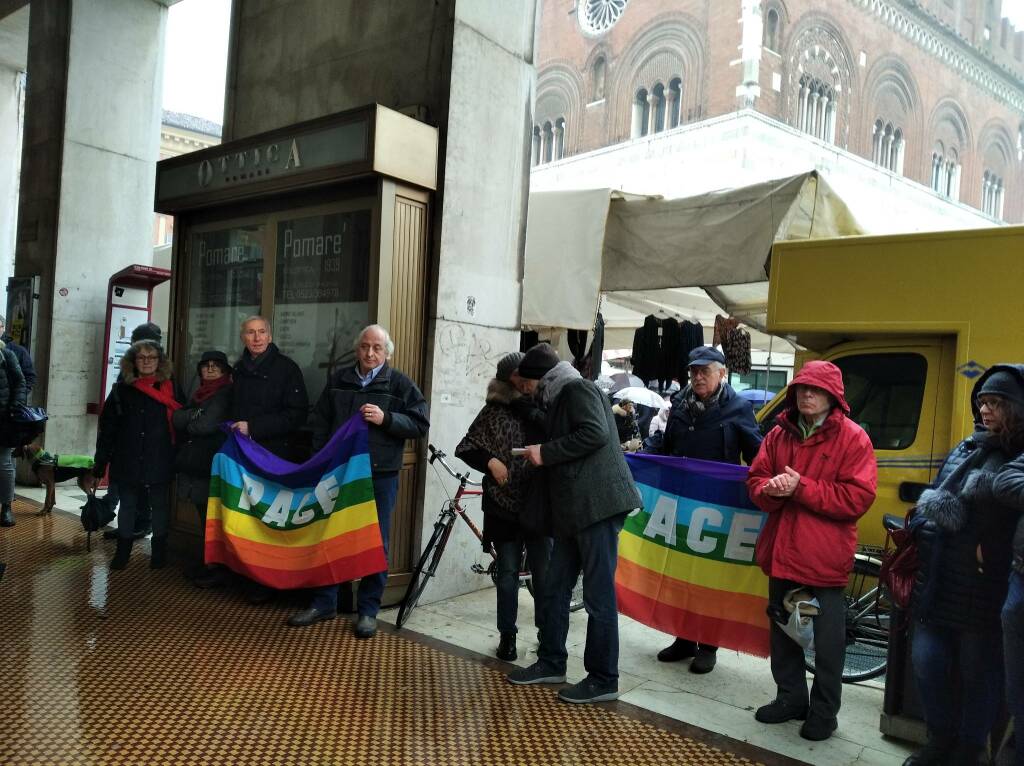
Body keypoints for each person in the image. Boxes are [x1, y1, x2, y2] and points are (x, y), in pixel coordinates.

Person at [746, 360, 876, 742]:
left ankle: (824, 713)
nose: (806, 394)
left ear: (833, 397)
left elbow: (857, 498)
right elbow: (755, 479)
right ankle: (790, 699)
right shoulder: (778, 433)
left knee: (829, 644)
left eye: (815, 389)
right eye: (801, 387)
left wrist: (801, 488)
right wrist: (767, 491)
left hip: (823, 558)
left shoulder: (854, 438)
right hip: (782, 551)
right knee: (784, 630)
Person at [902, 365, 1024, 766]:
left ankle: (970, 749)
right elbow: (934, 496)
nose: (986, 410)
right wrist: (923, 521)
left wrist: (983, 543)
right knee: (927, 664)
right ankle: (939, 740)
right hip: (937, 580)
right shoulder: (965, 446)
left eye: (997, 403)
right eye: (984, 401)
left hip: (982, 589)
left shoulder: (1016, 458)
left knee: (979, 677)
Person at [506, 343, 642, 704]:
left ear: (540, 380)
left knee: (598, 595)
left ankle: (603, 679)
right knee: (553, 585)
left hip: (597, 506)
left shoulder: (577, 389)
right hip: (574, 510)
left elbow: (594, 433)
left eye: (527, 386)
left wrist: (545, 452)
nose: (527, 392)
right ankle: (551, 661)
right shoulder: (556, 397)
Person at [289, 324, 429, 638]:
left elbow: (420, 422)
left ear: (387, 352)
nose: (369, 353)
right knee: (329, 535)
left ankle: (368, 611)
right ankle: (325, 602)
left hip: (378, 475)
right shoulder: (339, 380)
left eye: (376, 348)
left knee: (374, 543)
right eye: (365, 346)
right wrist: (321, 457)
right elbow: (321, 421)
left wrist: (387, 418)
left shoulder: (399, 383)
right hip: (338, 471)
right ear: (357, 349)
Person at [653, 346, 762, 673]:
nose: (698, 377)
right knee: (680, 573)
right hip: (681, 502)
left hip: (717, 508)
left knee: (709, 578)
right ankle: (684, 638)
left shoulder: (739, 408)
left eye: (705, 371)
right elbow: (665, 445)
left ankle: (708, 645)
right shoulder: (680, 405)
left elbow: (758, 454)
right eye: (694, 371)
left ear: (722, 374)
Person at [455, 351, 551, 661]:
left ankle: (548, 636)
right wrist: (490, 461)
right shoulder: (494, 410)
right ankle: (507, 636)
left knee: (544, 572)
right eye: (518, 378)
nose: (524, 384)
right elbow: (466, 446)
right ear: (508, 379)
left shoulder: (545, 406)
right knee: (507, 572)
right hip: (503, 506)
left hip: (539, 503)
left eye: (528, 378)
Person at [229, 316, 308, 602]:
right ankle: (250, 576)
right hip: (245, 457)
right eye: (250, 332)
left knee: (272, 521)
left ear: (270, 336)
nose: (257, 337)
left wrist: (255, 427)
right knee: (249, 519)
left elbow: (297, 414)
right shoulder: (237, 370)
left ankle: (271, 583)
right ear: (243, 337)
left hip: (275, 457)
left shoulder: (287, 369)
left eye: (262, 332)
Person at [92, 339, 182, 570]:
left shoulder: (170, 387)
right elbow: (108, 427)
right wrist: (100, 461)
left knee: (159, 506)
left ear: (160, 362)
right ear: (133, 362)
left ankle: (159, 554)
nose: (147, 362)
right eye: (142, 357)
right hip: (127, 457)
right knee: (128, 506)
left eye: (152, 358)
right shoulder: (121, 389)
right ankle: (122, 553)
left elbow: (182, 422)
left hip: (160, 456)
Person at [173, 350, 233, 588]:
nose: (210, 369)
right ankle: (209, 563)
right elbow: (177, 419)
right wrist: (192, 416)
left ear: (224, 371)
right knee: (203, 515)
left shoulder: (224, 393)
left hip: (212, 462)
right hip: (196, 463)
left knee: (212, 517)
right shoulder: (199, 394)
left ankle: (217, 567)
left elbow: (204, 426)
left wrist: (190, 418)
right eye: (206, 365)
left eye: (215, 366)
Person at [102, 322, 163, 541]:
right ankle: (128, 525)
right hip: (127, 439)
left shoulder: (161, 371)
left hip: (149, 442)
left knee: (143, 488)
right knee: (126, 486)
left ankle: (143, 524)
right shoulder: (129, 369)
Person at [0, 339, 26, 527]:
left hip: (3, 419)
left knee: (3, 464)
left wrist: (14, 408)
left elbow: (20, 382)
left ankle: (6, 507)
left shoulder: (7, 355)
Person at [0, 315, 35, 394]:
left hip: (7, 404)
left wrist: (17, 399)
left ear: (3, 328)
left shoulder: (19, 351)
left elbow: (30, 377)